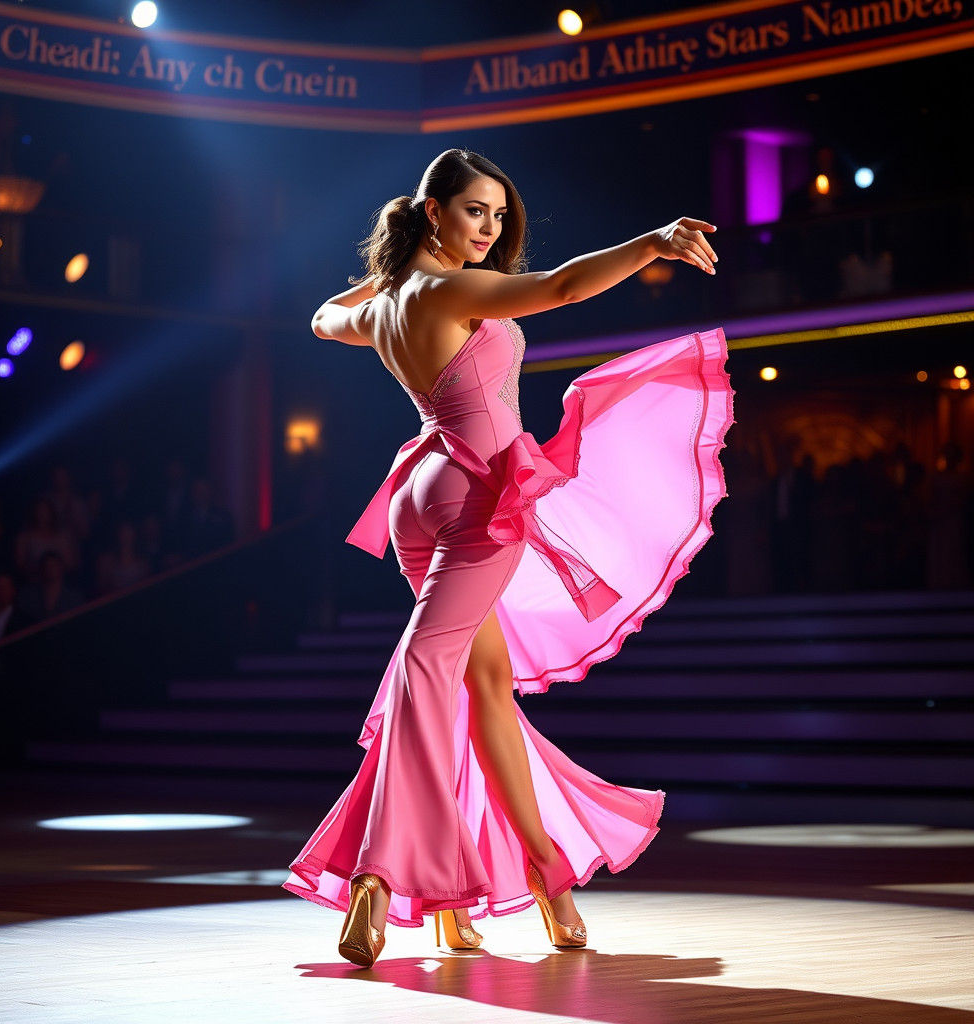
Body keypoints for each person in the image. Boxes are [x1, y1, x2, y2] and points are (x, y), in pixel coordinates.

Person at [281, 149, 734, 967]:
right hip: (480, 500)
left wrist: (380, 277)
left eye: (496, 214)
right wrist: (652, 242)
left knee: (482, 684)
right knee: (427, 672)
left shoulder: (390, 302)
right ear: (433, 215)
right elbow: (560, 287)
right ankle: (380, 876)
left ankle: (531, 878)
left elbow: (319, 317)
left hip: (420, 493)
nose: (489, 229)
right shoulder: (451, 289)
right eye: (472, 213)